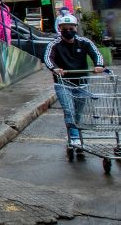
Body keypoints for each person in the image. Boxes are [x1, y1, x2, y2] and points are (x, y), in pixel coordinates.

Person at [43, 14, 104, 149]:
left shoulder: (84, 42)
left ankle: (75, 132)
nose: (68, 31)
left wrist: (99, 65)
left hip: (81, 83)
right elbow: (48, 58)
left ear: (76, 28)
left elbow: (96, 54)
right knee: (69, 110)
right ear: (60, 29)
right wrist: (55, 68)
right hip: (63, 83)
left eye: (71, 28)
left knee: (78, 113)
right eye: (64, 28)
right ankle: (75, 136)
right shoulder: (55, 44)